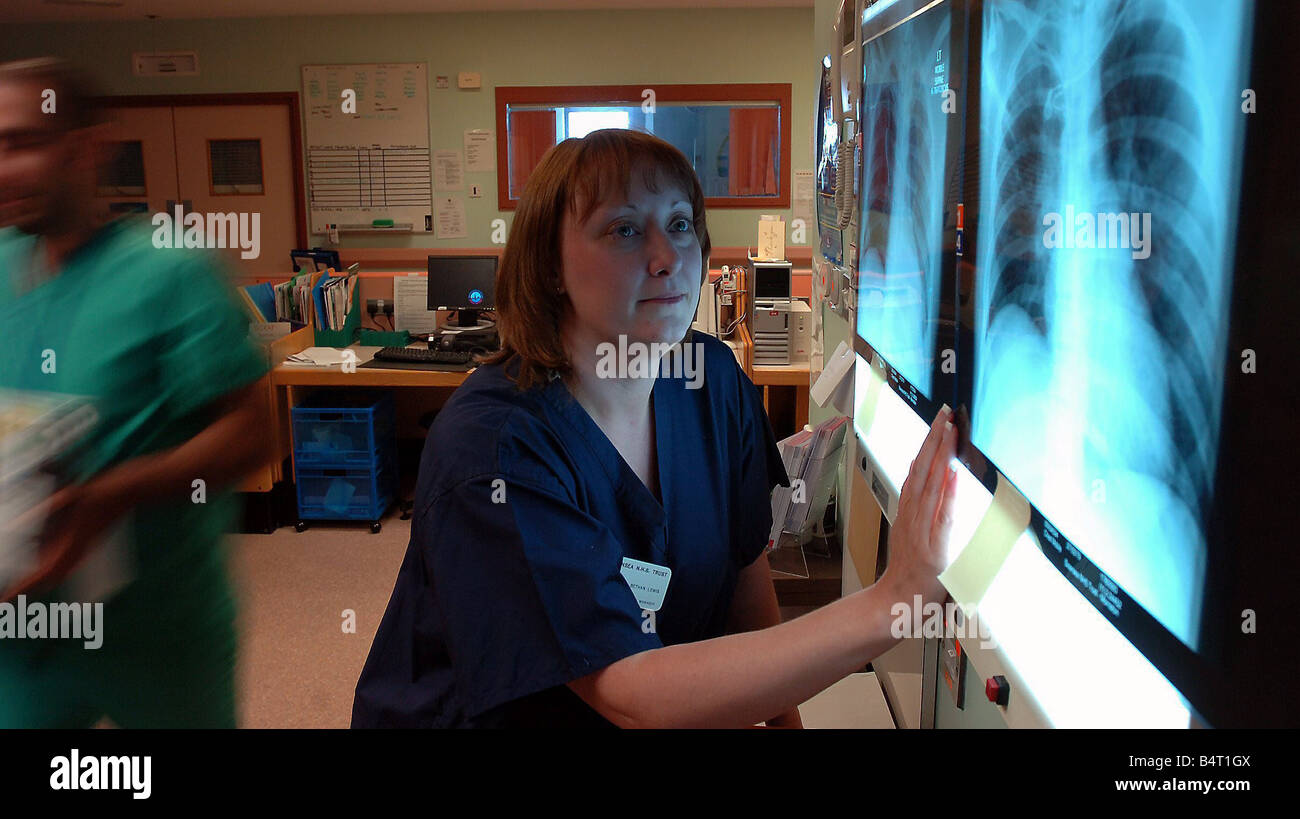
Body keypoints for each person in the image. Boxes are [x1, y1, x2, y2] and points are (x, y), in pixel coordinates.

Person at [352, 129, 958, 728]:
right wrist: (891, 603)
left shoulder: (712, 381)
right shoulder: (494, 450)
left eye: (679, 224)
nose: (666, 259)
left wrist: (785, 724)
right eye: (623, 230)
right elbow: (629, 694)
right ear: (550, 266)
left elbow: (745, 571)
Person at [0, 58, 272, 727]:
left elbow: (253, 433)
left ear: (88, 150)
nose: (3, 166)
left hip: (155, 631)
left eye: (22, 143)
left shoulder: (171, 270)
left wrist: (110, 494)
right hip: (24, 626)